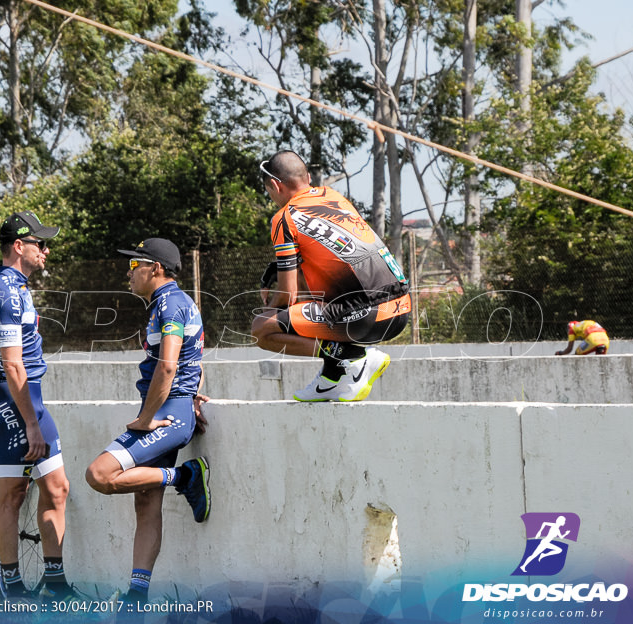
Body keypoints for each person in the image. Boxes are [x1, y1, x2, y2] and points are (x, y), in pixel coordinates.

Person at [85, 238, 212, 606]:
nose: (128, 273)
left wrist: (145, 419)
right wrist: (192, 394)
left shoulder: (169, 304)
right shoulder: (173, 301)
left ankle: (186, 476)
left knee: (100, 475)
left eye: (133, 265)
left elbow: (168, 365)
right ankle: (137, 596)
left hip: (165, 416)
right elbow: (193, 359)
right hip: (173, 410)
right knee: (145, 502)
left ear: (154, 268)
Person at [251, 150, 411, 402]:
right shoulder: (332, 195)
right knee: (311, 286)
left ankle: (349, 356)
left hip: (367, 317)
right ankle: (333, 376)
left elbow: (288, 294)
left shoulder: (284, 218)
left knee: (262, 327)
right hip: (401, 309)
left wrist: (269, 308)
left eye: (268, 191)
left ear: (274, 184)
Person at [0, 211, 73, 600]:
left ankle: (53, 583)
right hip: (13, 398)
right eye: (41, 243)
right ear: (20, 247)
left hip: (21, 395)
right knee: (13, 493)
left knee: (57, 488)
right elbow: (13, 362)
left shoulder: (7, 286)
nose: (47, 250)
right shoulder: (8, 289)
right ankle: (14, 588)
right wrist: (31, 423)